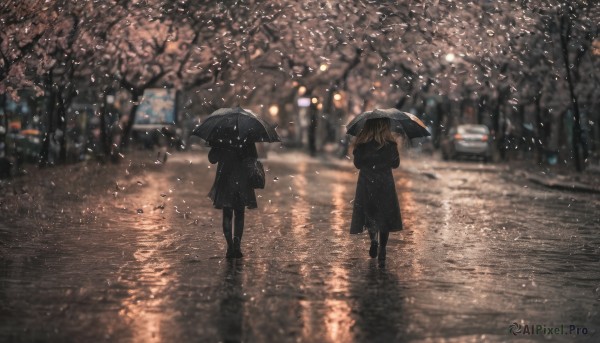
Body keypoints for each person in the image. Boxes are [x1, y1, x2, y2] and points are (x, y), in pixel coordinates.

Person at [350, 118, 403, 265]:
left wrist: (357, 150)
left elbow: (358, 164)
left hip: (367, 183)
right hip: (385, 184)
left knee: (370, 213)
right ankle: (383, 248)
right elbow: (395, 164)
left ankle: (373, 240)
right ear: (385, 127)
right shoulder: (390, 144)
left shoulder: (362, 144)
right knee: (384, 216)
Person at [208, 134, 258, 258]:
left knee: (227, 214)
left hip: (225, 178)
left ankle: (230, 247)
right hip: (242, 179)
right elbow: (253, 157)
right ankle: (237, 245)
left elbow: (212, 159)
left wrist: (216, 145)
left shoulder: (221, 135)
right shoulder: (246, 135)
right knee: (240, 214)